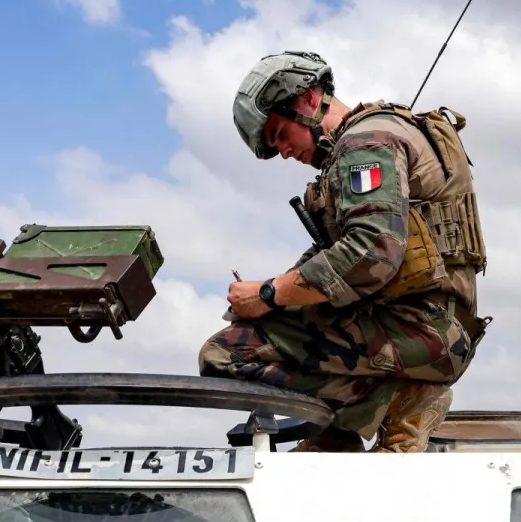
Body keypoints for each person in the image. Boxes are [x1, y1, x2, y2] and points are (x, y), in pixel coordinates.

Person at [198, 51, 489, 452]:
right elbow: (336, 257)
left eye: (279, 133)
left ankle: (397, 403)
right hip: (433, 326)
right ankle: (343, 431)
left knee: (225, 353)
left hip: (420, 329)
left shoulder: (366, 143)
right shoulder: (370, 140)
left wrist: (269, 293)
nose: (283, 151)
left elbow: (371, 253)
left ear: (307, 99)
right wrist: (270, 298)